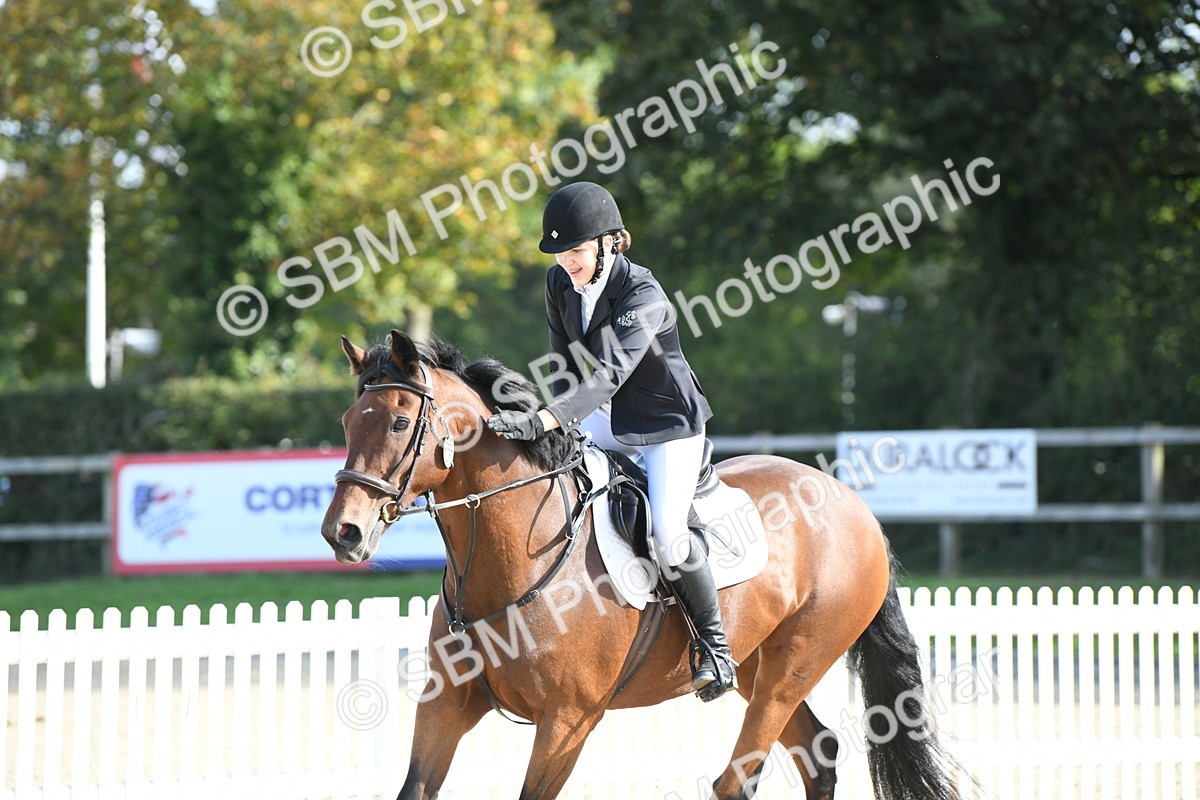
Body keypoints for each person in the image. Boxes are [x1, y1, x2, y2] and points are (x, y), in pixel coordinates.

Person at [486, 181, 735, 701]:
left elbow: (610, 375)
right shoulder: (560, 285)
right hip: (606, 417)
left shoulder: (644, 294)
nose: (567, 262)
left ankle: (714, 648)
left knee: (667, 530)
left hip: (668, 426)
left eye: (576, 251)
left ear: (609, 242)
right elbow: (566, 366)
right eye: (560, 253)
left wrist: (550, 420)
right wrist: (548, 420)